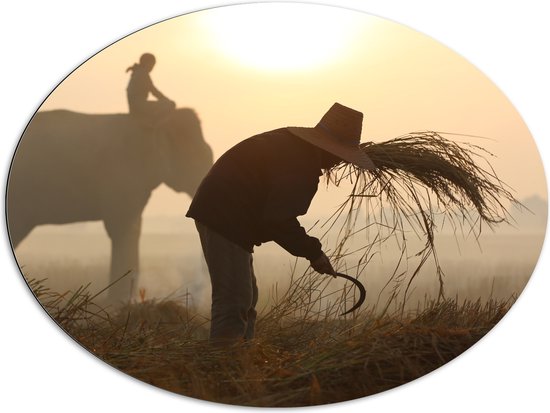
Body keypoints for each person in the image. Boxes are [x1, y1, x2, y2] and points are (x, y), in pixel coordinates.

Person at [186, 103, 376, 345]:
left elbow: (274, 216)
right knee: (234, 300)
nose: (338, 162)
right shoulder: (300, 166)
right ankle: (223, 365)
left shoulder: (292, 148)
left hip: (225, 214)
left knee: (246, 296)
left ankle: (243, 355)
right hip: (224, 216)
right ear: (329, 149)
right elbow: (278, 220)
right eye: (339, 156)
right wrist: (313, 253)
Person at [126, 53, 176, 125]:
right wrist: (166, 100)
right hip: (140, 106)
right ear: (147, 63)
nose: (152, 67)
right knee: (171, 104)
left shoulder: (138, 72)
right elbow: (154, 91)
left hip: (134, 106)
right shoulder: (143, 74)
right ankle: (154, 124)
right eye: (152, 64)